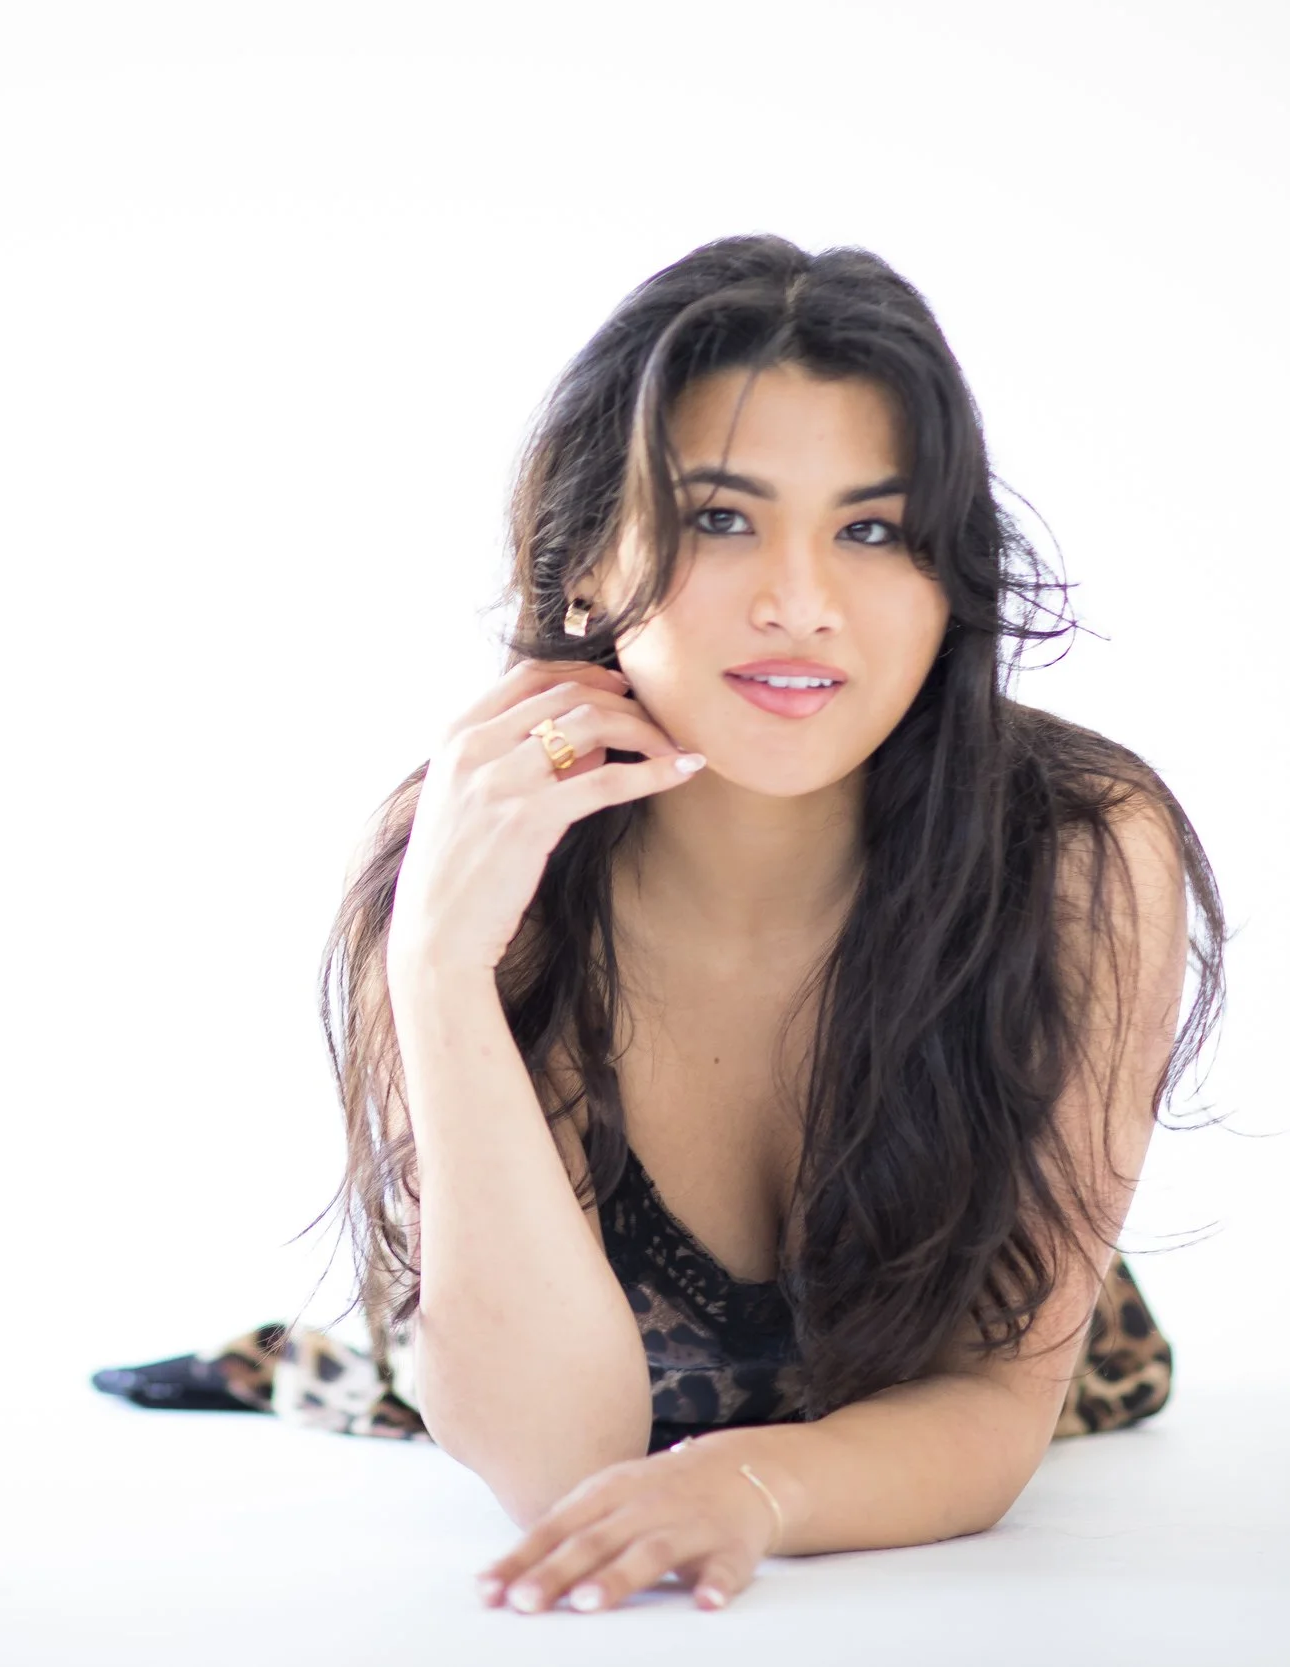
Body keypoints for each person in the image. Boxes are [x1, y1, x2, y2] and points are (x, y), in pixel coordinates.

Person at [90, 233, 1227, 1614]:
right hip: (503, 1342)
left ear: (947, 584)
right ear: (585, 560)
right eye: (719, 518)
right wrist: (441, 969)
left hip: (970, 1392)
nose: (800, 604)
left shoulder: (1079, 853)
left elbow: (993, 1408)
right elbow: (561, 1464)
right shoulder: (475, 852)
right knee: (405, 1349)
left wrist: (748, 1485)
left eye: (872, 529)